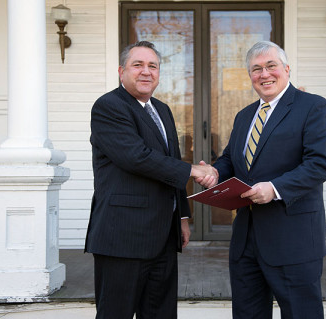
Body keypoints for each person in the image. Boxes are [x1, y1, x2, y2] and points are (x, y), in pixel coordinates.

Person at [85, 41, 217, 319]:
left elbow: (171, 161)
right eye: (138, 65)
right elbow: (136, 157)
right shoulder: (108, 106)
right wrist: (194, 171)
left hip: (163, 238)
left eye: (153, 66)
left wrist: (181, 216)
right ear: (122, 72)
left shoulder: (162, 109)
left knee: (161, 314)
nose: (146, 72)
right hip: (122, 237)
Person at [212, 41, 326, 318]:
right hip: (246, 241)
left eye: (271, 66)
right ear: (250, 76)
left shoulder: (313, 107)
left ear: (287, 69)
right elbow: (231, 160)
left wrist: (275, 188)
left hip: (293, 239)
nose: (264, 74)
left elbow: (319, 164)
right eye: (256, 69)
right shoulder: (245, 116)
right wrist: (215, 173)